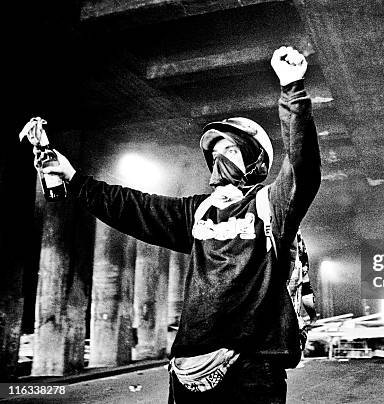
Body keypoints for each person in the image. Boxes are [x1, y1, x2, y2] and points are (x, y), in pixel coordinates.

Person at [42, 46, 321, 403]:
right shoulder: (198, 212)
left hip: (253, 370)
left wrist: (292, 87)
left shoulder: (272, 206)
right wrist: (72, 177)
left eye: (232, 151)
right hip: (191, 367)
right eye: (215, 153)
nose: (221, 160)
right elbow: (132, 207)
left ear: (255, 161)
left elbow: (303, 167)